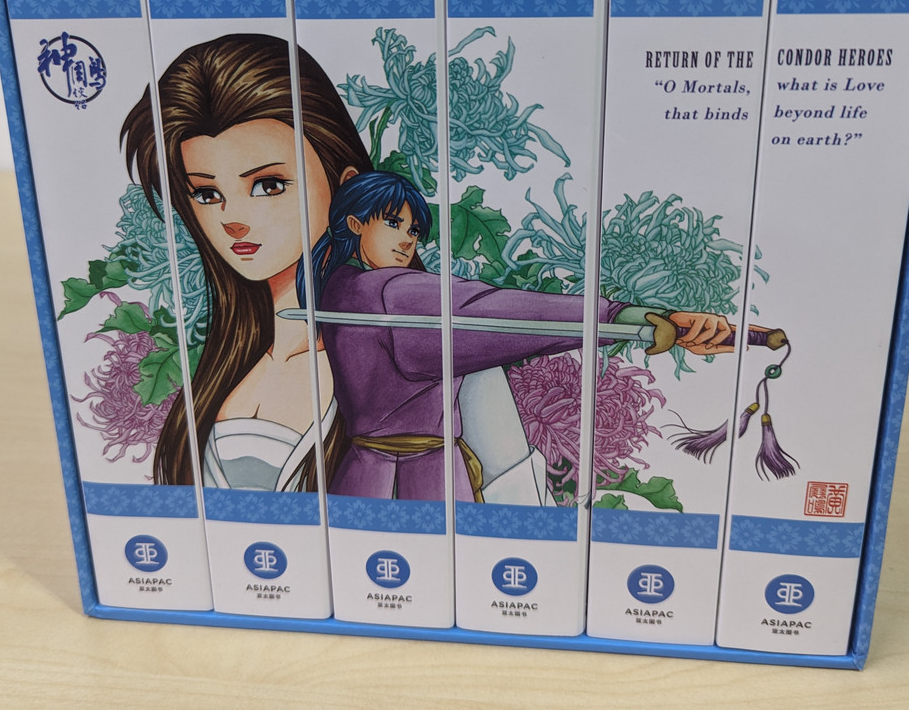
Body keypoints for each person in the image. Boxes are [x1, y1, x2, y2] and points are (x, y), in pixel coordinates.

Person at [300, 171, 734, 502]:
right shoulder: (391, 293)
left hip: (360, 475)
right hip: (422, 478)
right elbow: (505, 311)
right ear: (355, 223)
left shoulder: (338, 287)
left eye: (413, 230)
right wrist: (625, 317)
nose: (407, 241)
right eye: (393, 223)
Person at [120, 33, 393, 491]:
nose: (232, 219)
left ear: (348, 187)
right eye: (207, 193)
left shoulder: (427, 356)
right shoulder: (221, 368)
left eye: (269, 185)